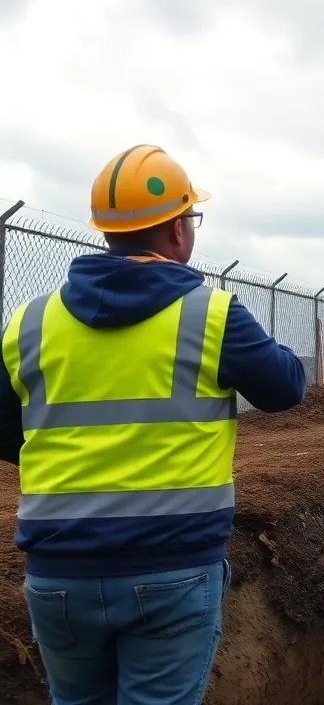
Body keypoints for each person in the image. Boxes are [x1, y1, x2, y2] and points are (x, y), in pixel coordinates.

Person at [0, 145, 307, 703]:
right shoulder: (210, 313)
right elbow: (284, 388)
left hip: (58, 573)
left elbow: (4, 430)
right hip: (171, 567)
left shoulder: (30, 321)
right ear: (175, 232)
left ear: (107, 232)